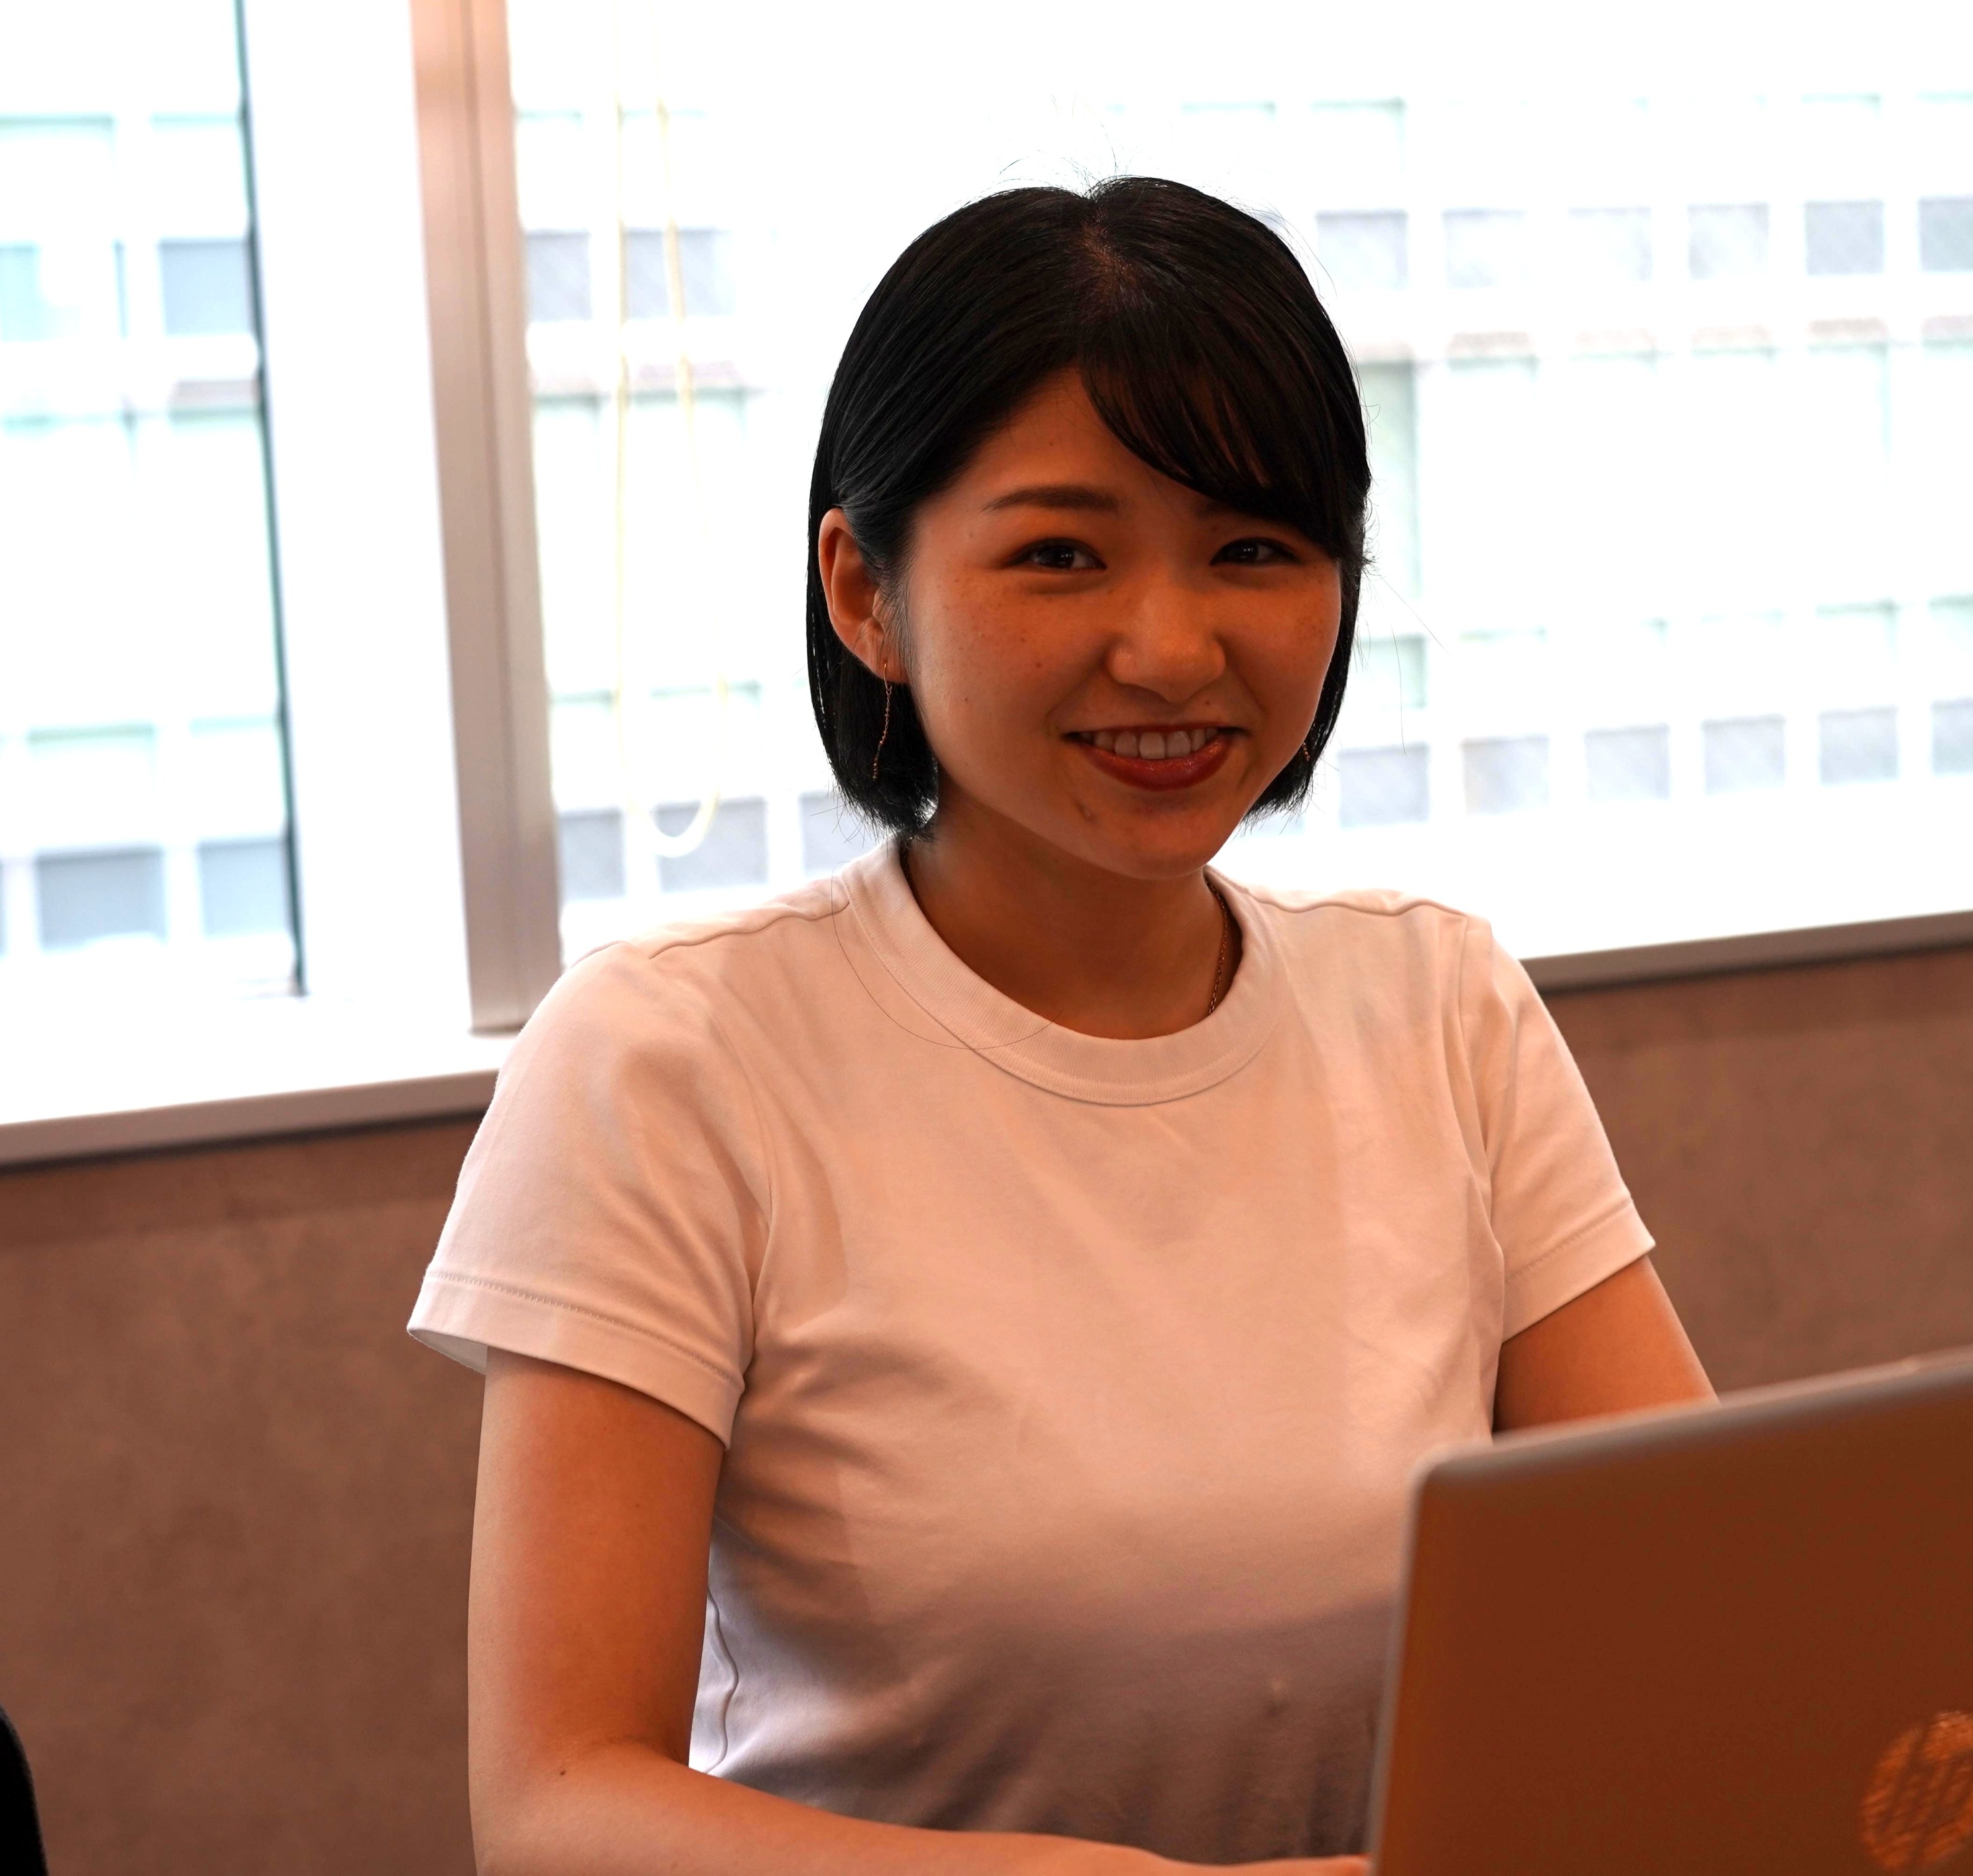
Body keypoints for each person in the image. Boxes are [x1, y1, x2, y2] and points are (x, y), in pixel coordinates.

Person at [408, 176, 1712, 1876]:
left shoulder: (1439, 1000)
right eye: (1060, 555)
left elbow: (1701, 1606)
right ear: (865, 591)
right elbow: (560, 1804)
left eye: (1253, 549)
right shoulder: (668, 1057)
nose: (1170, 649)